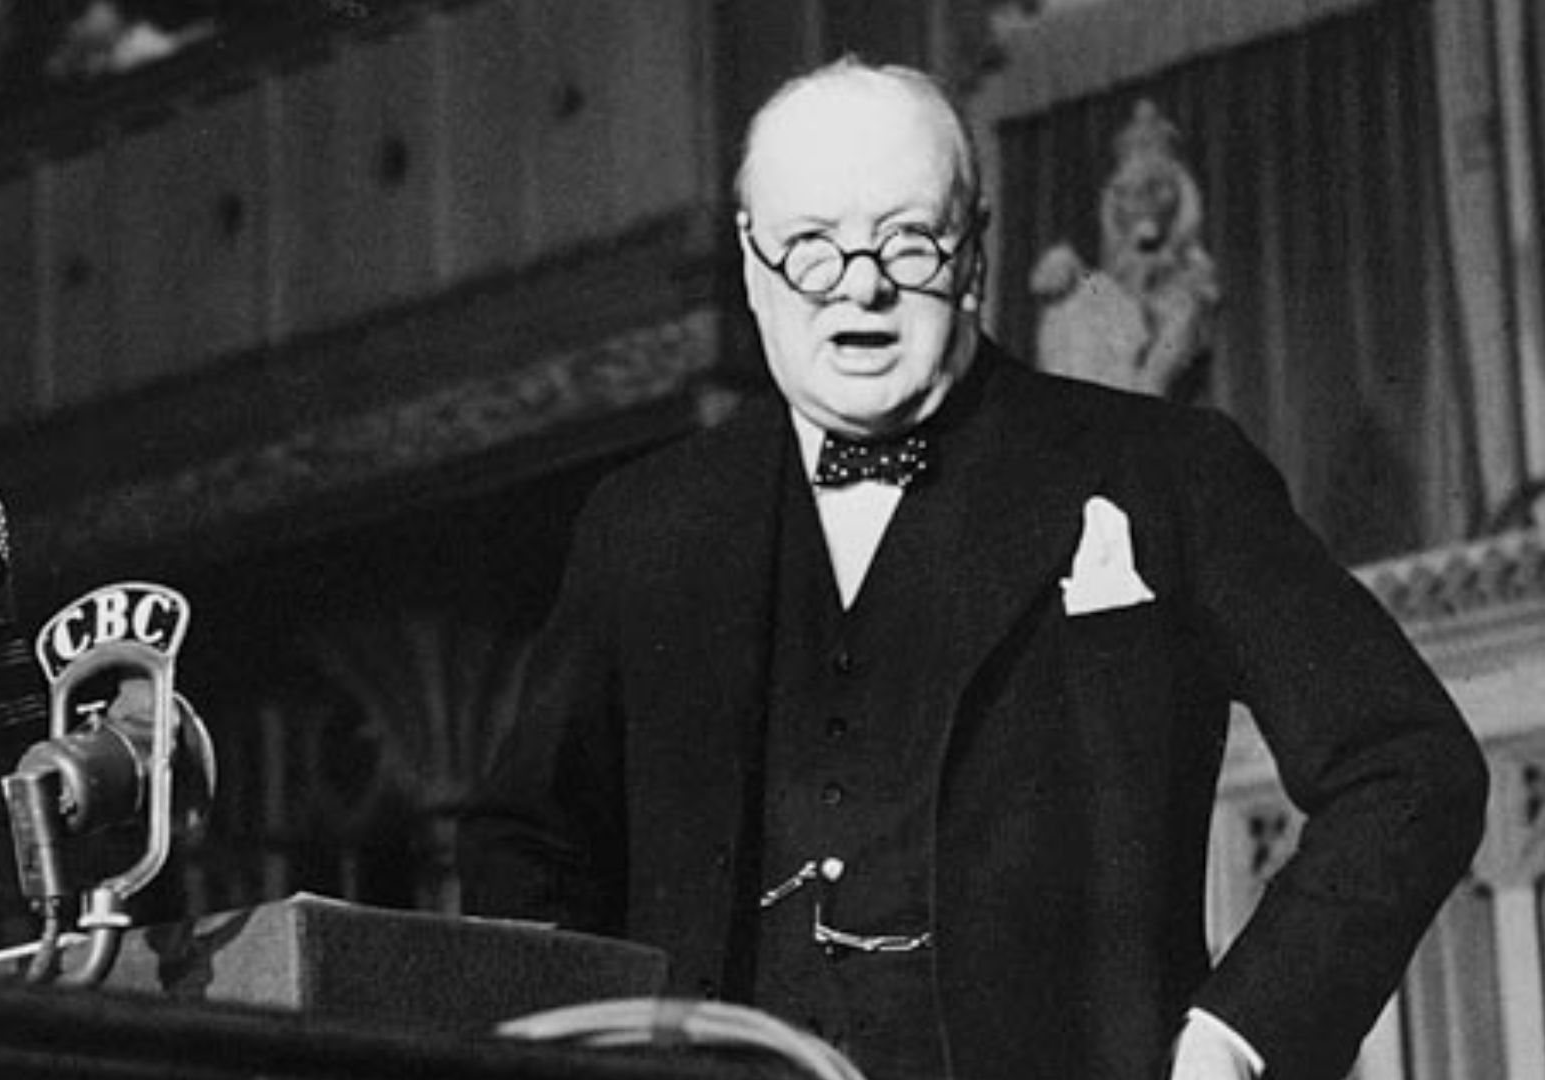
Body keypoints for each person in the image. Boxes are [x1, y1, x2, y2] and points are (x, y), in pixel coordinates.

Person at [457, 58, 1487, 1080]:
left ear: (975, 252)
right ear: (748, 257)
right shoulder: (646, 524)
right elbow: (529, 846)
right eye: (811, 247)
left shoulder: (1166, 471)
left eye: (907, 241)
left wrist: (1236, 1039)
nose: (859, 287)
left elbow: (1410, 765)